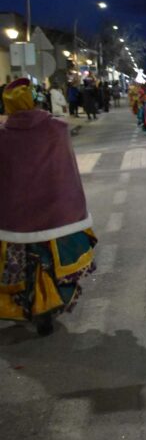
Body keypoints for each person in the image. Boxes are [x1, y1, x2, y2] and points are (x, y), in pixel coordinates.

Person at [0, 78, 97, 336]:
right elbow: (66, 169)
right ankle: (49, 304)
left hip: (16, 217)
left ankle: (30, 306)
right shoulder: (57, 128)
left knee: (21, 265)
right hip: (56, 212)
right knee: (53, 262)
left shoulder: (3, 136)